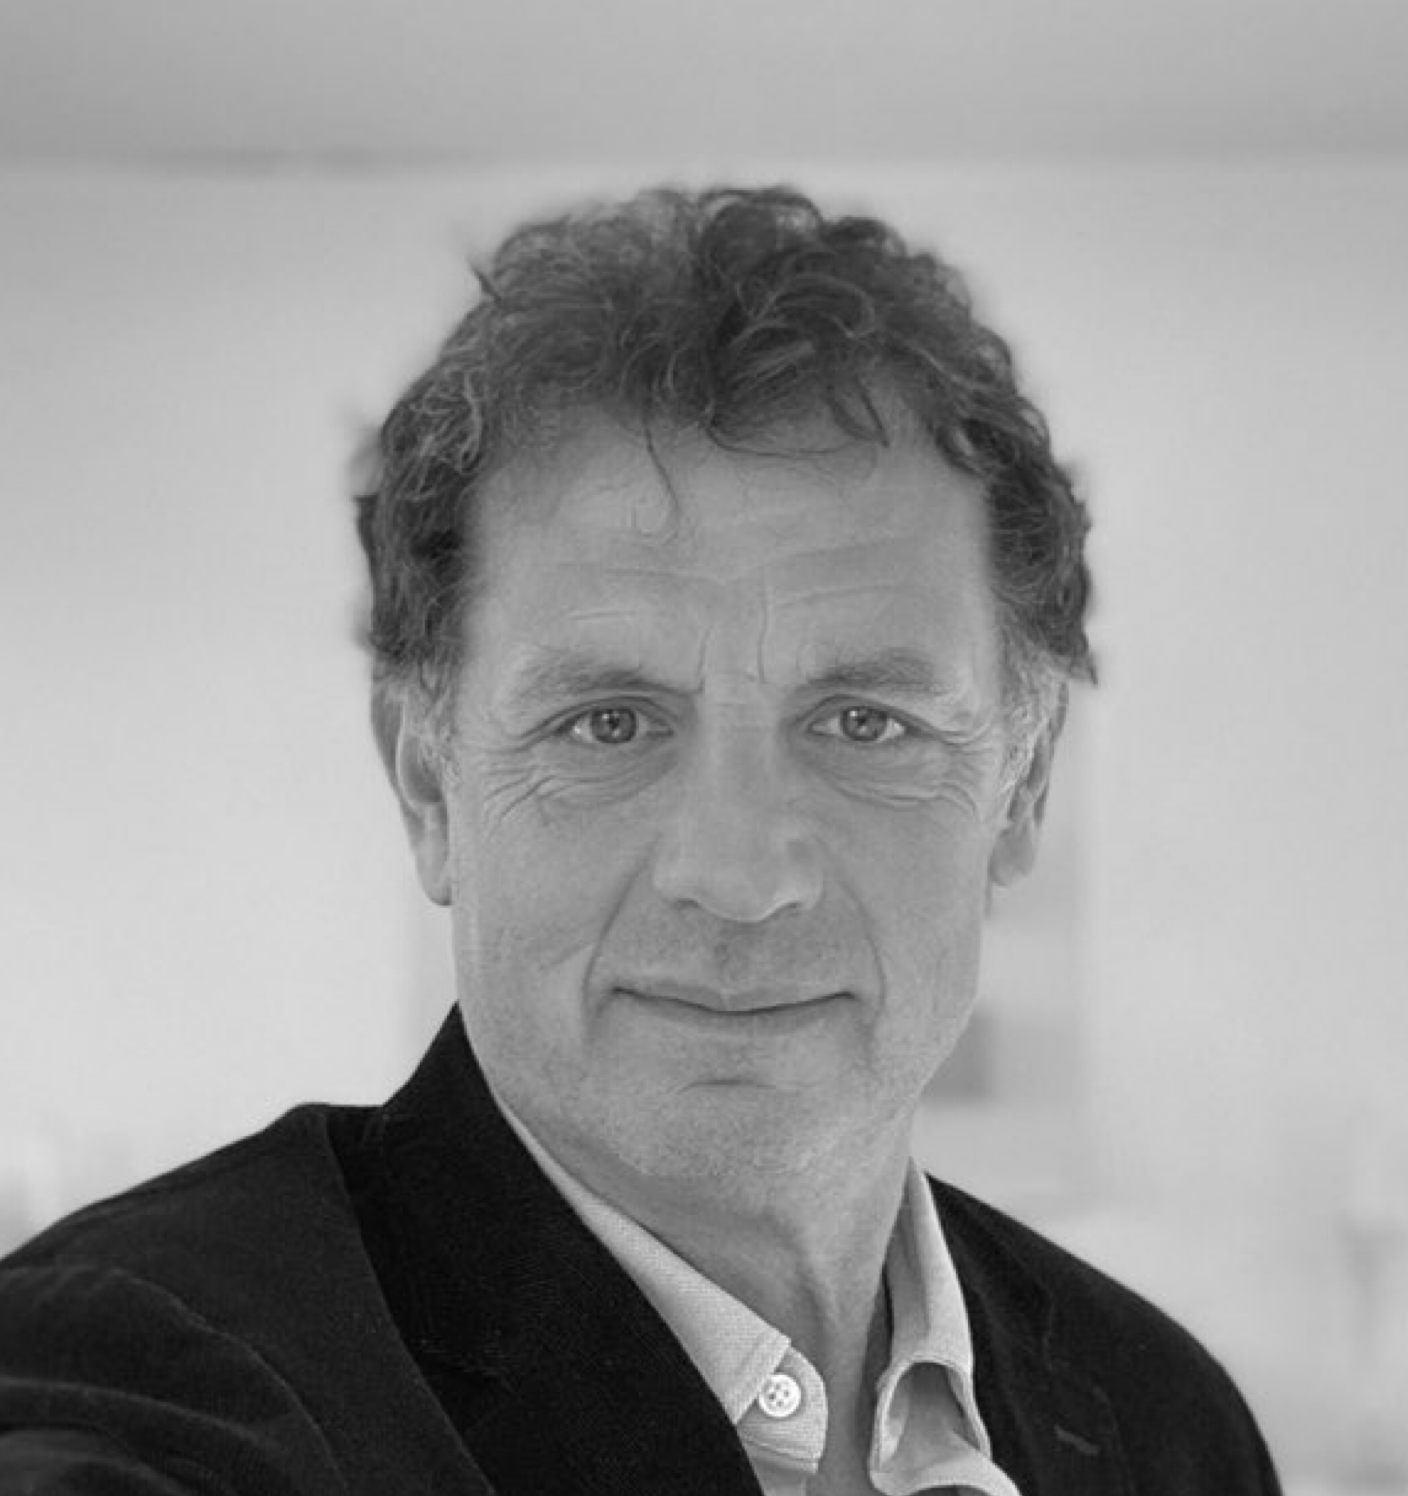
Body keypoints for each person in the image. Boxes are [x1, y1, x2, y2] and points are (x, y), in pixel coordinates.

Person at [0, 185, 1282, 1494]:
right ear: (428, 785)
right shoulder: (142, 1381)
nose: (740, 877)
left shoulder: (1164, 1423)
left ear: (1021, 786)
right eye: (608, 723)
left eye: (865, 722)